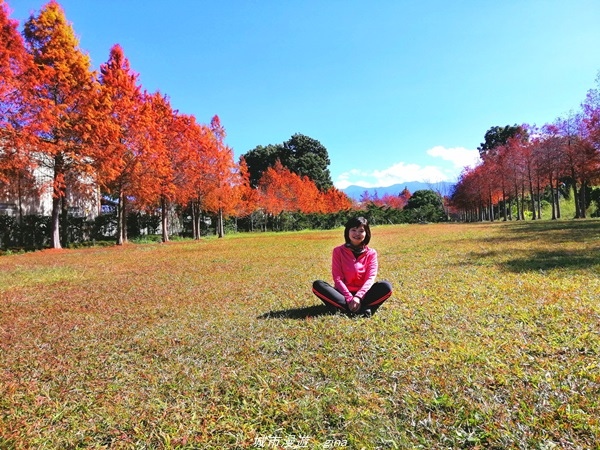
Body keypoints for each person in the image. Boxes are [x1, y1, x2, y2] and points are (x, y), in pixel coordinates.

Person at [312, 216, 392, 316]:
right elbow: (337, 278)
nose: (357, 233)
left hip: (365, 294)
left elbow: (370, 278)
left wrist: (358, 297)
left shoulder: (371, 253)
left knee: (386, 286)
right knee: (318, 285)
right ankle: (363, 308)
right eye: (353, 230)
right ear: (347, 232)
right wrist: (349, 298)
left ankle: (346, 308)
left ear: (366, 233)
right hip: (342, 294)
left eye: (361, 230)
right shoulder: (338, 251)